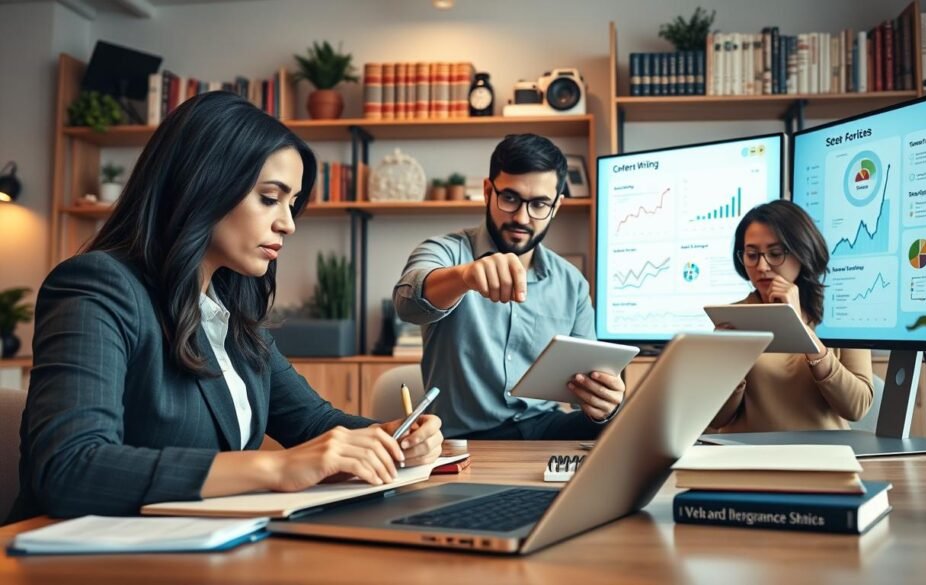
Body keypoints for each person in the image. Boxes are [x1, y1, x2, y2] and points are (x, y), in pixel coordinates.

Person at [8, 92, 442, 523]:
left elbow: (316, 423)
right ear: (203, 184)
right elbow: (69, 467)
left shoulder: (231, 315)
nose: (287, 224)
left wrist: (391, 436)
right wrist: (277, 467)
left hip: (201, 551)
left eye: (292, 205)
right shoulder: (96, 286)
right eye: (270, 198)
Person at [393, 134, 625, 440]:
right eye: (510, 198)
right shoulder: (445, 251)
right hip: (464, 437)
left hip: (543, 426)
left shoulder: (572, 283)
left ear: (556, 206)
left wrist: (605, 403)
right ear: (488, 191)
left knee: (628, 423)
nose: (521, 217)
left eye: (540, 203)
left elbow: (590, 380)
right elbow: (408, 303)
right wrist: (465, 277)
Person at [709, 200, 874, 432]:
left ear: (802, 252)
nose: (762, 266)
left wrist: (802, 331)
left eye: (775, 253)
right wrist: (733, 364)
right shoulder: (732, 319)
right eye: (752, 254)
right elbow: (717, 420)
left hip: (825, 456)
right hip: (749, 456)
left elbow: (856, 408)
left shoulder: (844, 313)